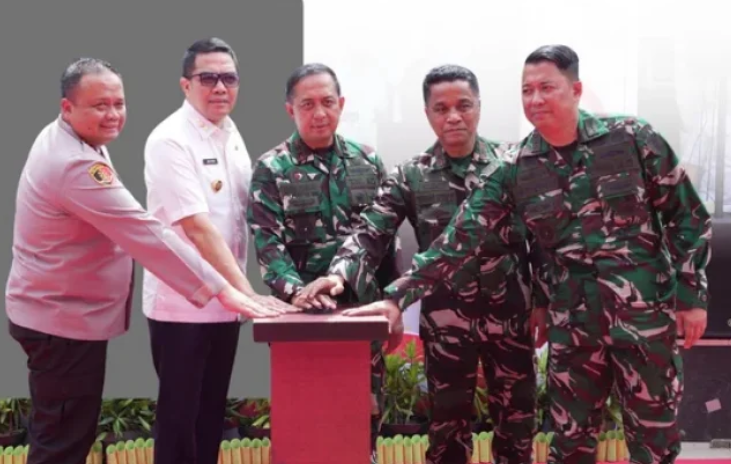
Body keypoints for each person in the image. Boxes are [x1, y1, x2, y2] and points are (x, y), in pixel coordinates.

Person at [341, 44, 711, 464]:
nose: (535, 99)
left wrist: (691, 296)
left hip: (644, 319)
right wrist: (396, 297)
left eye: (546, 87)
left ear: (575, 90)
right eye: (526, 90)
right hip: (575, 329)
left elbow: (687, 215)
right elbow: (459, 239)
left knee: (654, 443)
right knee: (569, 445)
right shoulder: (515, 167)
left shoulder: (631, 137)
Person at [5, 57, 291, 464]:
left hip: (60, 312)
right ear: (67, 108)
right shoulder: (76, 162)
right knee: (63, 443)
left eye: (118, 103)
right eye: (100, 105)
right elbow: (146, 233)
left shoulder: (72, 139)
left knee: (63, 432)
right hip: (61, 320)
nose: (113, 114)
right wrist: (227, 291)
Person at [299, 64, 541, 464]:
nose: (453, 117)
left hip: (511, 318)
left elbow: (543, 238)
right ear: (428, 114)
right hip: (447, 325)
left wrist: (544, 300)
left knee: (517, 431)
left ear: (479, 107)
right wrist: (338, 273)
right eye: (441, 108)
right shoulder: (411, 175)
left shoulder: (513, 164)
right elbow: (371, 230)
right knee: (447, 435)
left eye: (464, 105)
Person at [142, 38, 291, 464]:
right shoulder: (170, 139)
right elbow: (199, 228)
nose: (220, 87)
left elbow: (248, 213)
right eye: (208, 78)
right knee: (180, 423)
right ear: (185, 84)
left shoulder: (230, 132)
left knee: (209, 417)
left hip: (226, 307)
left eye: (229, 78)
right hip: (184, 306)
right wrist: (247, 293)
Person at [246, 62, 400, 460]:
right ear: (290, 110)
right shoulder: (271, 169)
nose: (319, 113)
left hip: (362, 313)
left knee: (364, 416)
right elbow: (268, 245)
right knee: (307, 421)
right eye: (307, 104)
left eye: (327, 102)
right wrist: (298, 293)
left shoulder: (367, 161)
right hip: (302, 321)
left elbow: (384, 239)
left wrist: (393, 303)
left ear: (341, 104)